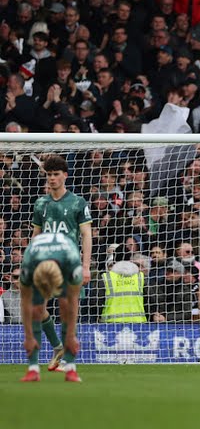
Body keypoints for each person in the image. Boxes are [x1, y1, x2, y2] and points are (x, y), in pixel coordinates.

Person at [30, 155, 92, 373]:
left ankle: (67, 357)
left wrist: (85, 267)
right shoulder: (41, 204)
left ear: (65, 175)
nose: (52, 178)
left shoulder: (77, 202)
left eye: (56, 174)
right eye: (49, 175)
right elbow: (36, 235)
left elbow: (86, 235)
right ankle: (57, 347)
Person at [20, 233, 84, 383]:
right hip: (40, 262)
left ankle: (70, 368)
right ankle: (33, 369)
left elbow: (73, 300)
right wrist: (28, 337)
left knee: (65, 304)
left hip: (63, 262)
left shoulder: (72, 261)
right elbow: (26, 301)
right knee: (37, 309)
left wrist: (71, 335)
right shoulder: (28, 264)